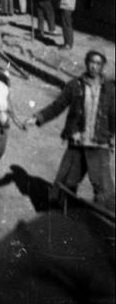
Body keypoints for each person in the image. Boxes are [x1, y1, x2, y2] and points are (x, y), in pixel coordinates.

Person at [27, 49, 115, 210]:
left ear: (102, 66)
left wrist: (111, 137)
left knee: (105, 191)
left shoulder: (110, 90)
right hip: (77, 143)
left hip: (99, 146)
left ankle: (102, 224)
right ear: (86, 63)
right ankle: (58, 217)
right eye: (91, 62)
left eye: (98, 63)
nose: (94, 67)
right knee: (65, 183)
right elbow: (58, 105)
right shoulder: (74, 86)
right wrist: (38, 117)